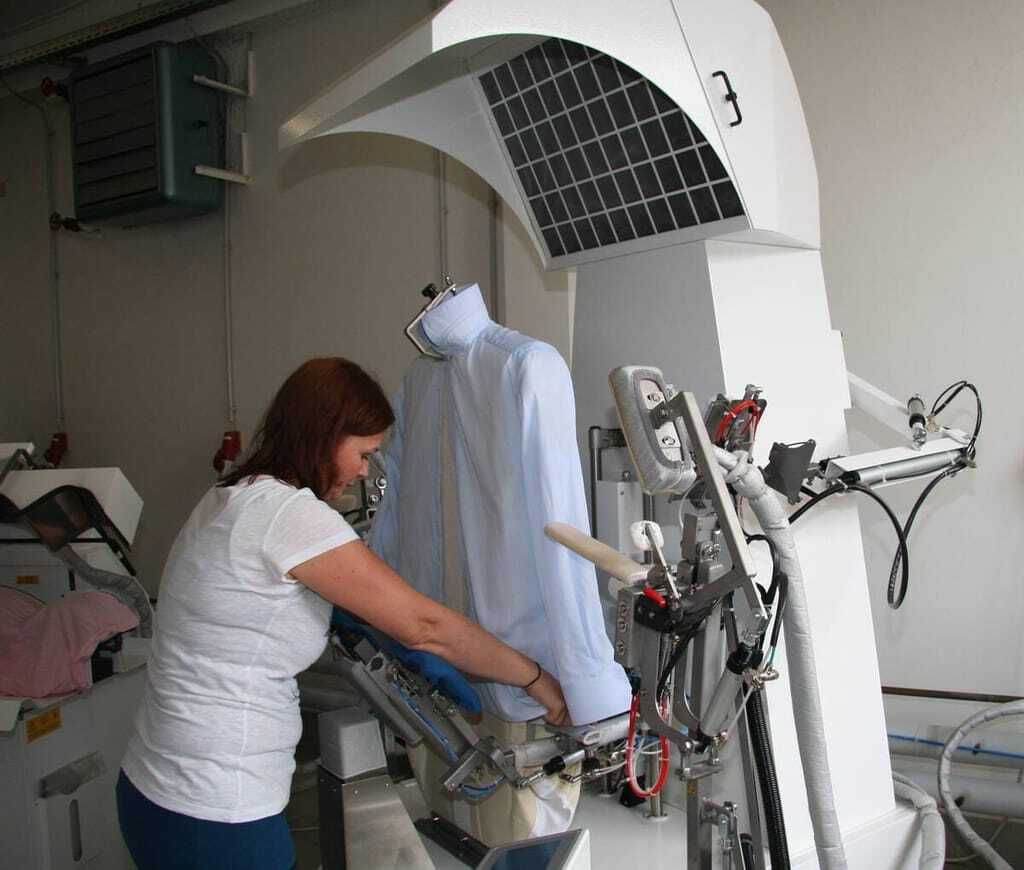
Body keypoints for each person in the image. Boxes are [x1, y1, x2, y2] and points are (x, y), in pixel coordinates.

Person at [116, 357, 568, 870]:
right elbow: (425, 627)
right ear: (322, 437)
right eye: (363, 453)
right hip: (215, 807)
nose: (364, 470)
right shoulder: (289, 515)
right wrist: (536, 678)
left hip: (153, 786)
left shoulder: (231, 496)